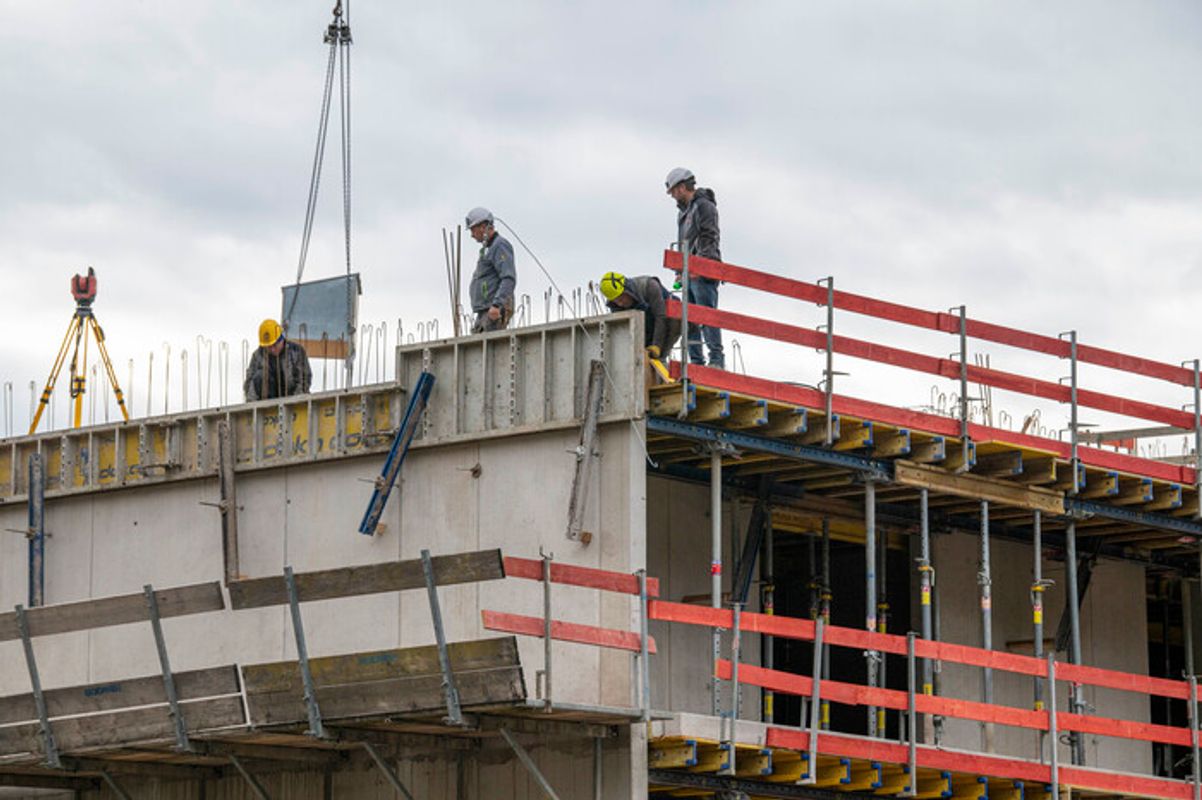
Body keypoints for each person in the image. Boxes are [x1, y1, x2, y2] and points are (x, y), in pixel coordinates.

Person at [666, 167, 724, 369]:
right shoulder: (683, 213)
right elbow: (683, 242)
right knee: (690, 319)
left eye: (673, 191)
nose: (672, 196)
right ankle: (697, 362)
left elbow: (709, 236)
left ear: (682, 187)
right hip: (689, 272)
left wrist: (701, 266)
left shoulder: (703, 205)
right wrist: (679, 271)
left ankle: (716, 360)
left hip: (702, 271)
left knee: (707, 315)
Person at [599, 271, 681, 360]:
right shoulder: (616, 306)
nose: (620, 304)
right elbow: (623, 330)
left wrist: (656, 345)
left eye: (621, 299)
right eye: (616, 301)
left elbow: (660, 317)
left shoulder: (649, 286)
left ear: (627, 290)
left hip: (668, 321)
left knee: (674, 321)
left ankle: (662, 358)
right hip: (646, 326)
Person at [465, 206, 516, 333]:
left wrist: (497, 305)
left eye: (473, 230)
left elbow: (508, 278)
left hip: (493, 310)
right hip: (485, 310)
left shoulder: (500, 245)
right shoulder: (488, 249)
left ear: (483, 227)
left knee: (490, 345)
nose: (472, 235)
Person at [244, 319, 312, 401]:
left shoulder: (296, 352)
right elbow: (250, 385)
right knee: (260, 376)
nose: (272, 349)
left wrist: (293, 403)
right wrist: (253, 405)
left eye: (275, 345)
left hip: (292, 399)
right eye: (269, 347)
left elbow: (304, 380)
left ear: (281, 339)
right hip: (267, 403)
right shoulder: (258, 356)